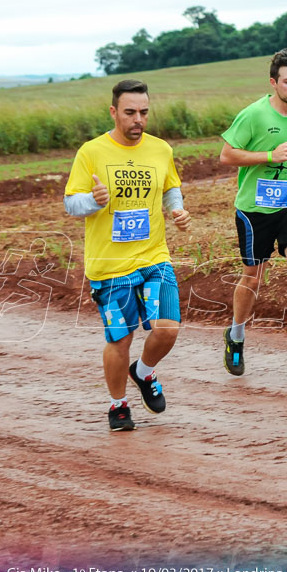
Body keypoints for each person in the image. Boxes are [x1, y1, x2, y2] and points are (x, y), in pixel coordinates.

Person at [64, 79, 191, 431]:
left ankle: (144, 372)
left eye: (144, 113)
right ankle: (118, 405)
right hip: (110, 265)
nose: (138, 120)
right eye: (130, 112)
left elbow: (171, 187)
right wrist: (94, 201)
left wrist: (177, 210)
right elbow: (70, 203)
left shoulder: (160, 149)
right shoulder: (91, 152)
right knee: (121, 339)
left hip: (154, 257)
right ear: (114, 112)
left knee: (167, 328)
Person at [219, 49, 287, 376]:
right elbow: (226, 156)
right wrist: (269, 154)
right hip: (255, 209)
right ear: (273, 83)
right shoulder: (254, 115)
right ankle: (236, 335)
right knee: (253, 278)